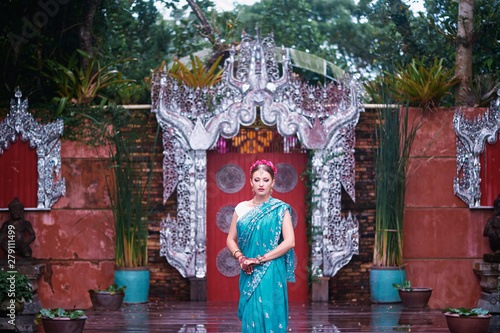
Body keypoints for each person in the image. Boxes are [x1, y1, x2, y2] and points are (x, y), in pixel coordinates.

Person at [226, 159, 295, 332]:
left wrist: (260, 259)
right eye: (257, 180)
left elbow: (289, 241)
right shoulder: (241, 209)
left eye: (265, 180)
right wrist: (241, 258)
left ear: (273, 182)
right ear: (250, 182)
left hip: (272, 270)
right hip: (249, 269)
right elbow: (230, 239)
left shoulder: (281, 209)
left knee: (271, 315)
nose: (261, 184)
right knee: (252, 316)